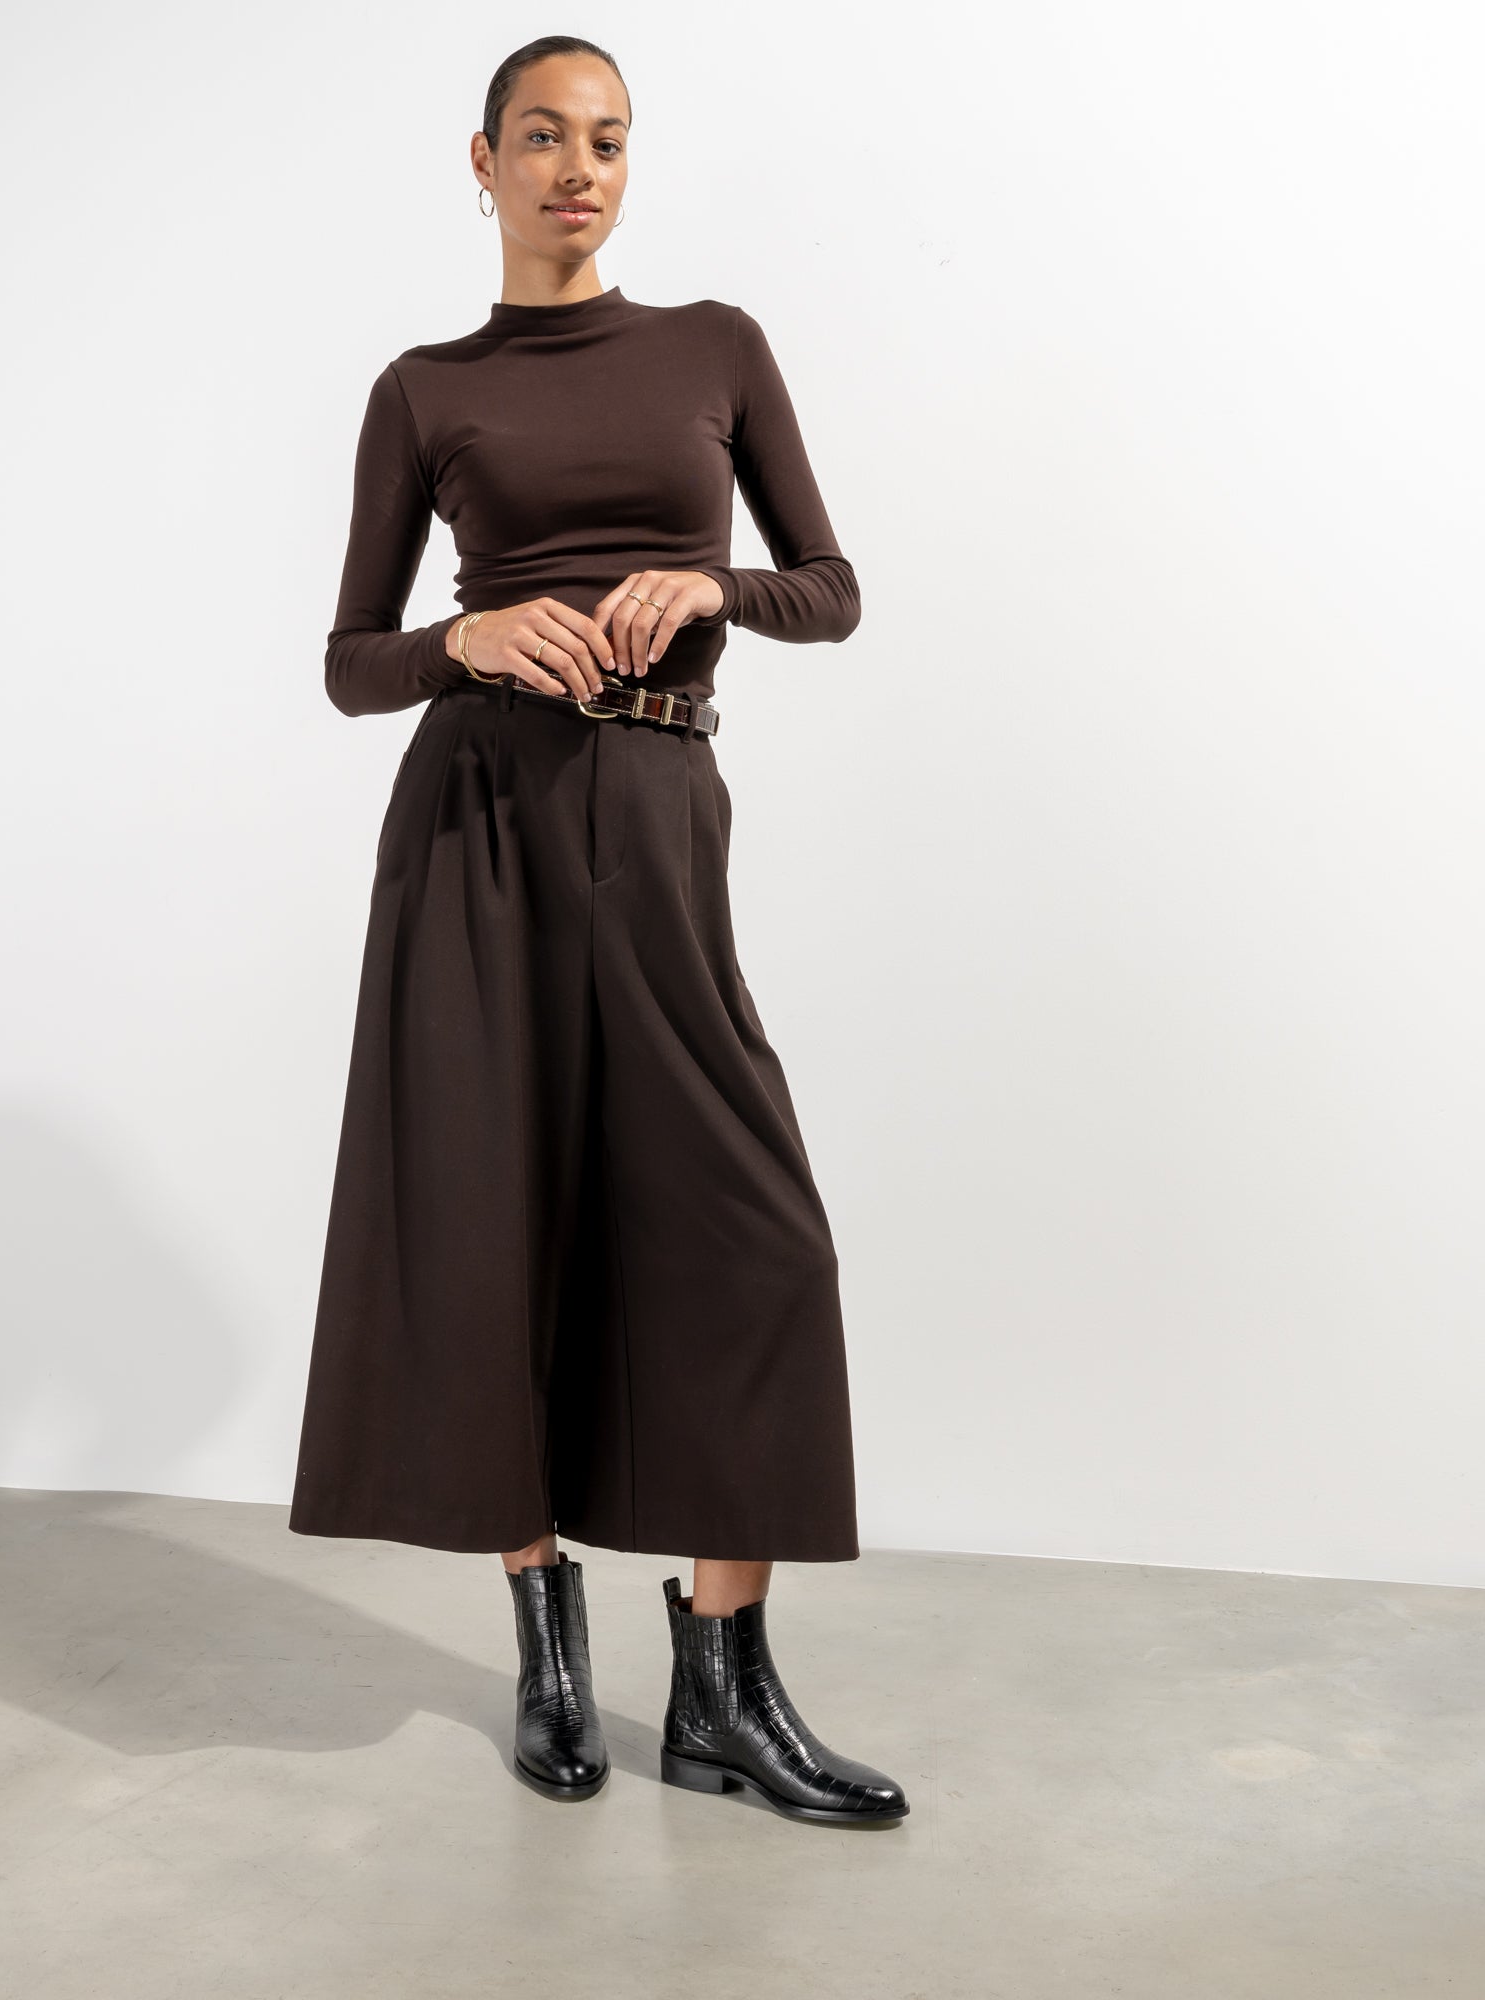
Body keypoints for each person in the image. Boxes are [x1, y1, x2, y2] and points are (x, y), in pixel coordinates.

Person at [288, 35, 907, 1828]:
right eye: (546, 137)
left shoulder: (716, 345)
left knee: (758, 1237)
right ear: (481, 160)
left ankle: (723, 1683)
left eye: (610, 140)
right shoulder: (425, 389)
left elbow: (834, 589)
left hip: (658, 809)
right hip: (476, 823)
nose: (580, 168)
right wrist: (465, 640)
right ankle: (547, 1647)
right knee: (492, 1216)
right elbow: (349, 663)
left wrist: (711, 585)